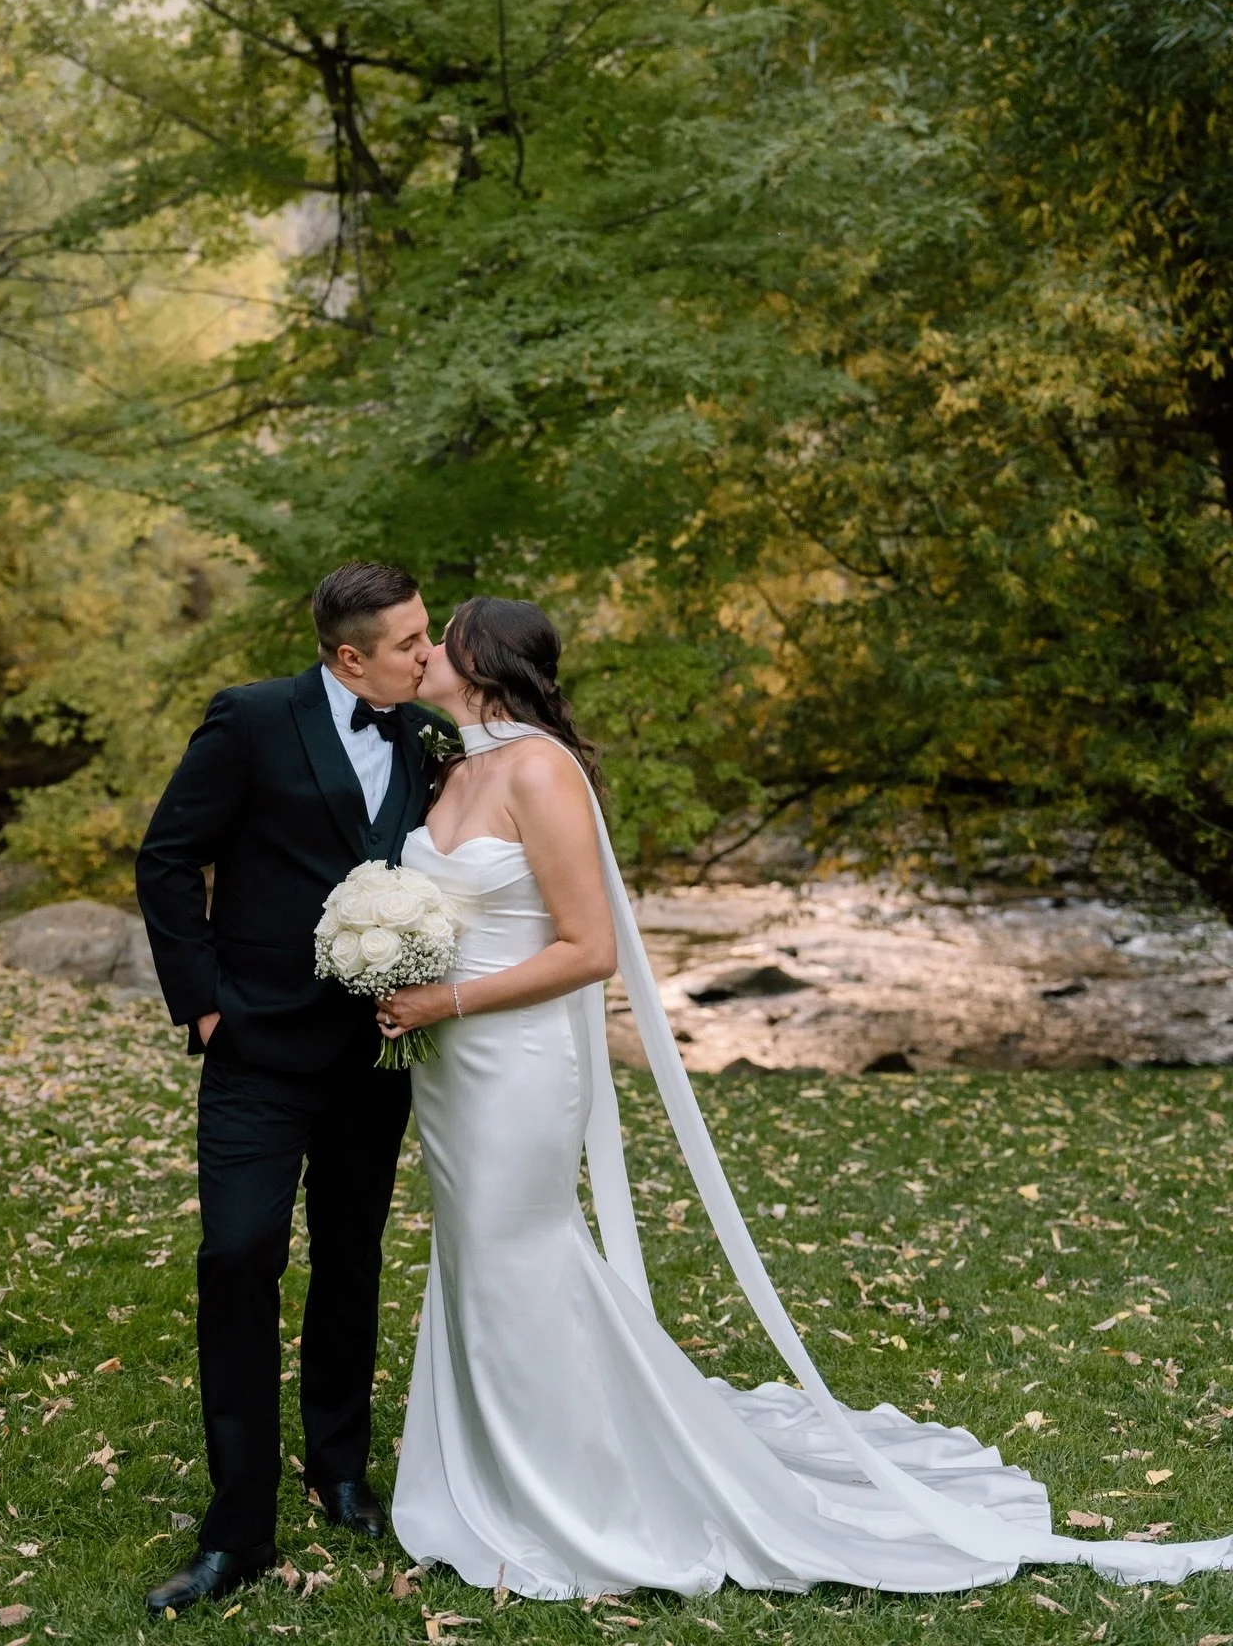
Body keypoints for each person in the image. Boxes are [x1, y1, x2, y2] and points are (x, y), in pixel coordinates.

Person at [375, 594, 1233, 1599]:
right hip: (451, 1069)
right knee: (479, 1256)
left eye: (441, 639)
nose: (424, 652)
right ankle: (492, 1471)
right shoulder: (456, 766)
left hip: (514, 1062)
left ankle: (572, 1495)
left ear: (481, 662)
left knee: (523, 1256)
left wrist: (453, 993)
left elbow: (590, 949)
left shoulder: (540, 770)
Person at [135, 560, 452, 1616]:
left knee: (351, 1255)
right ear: (349, 655)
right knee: (237, 1254)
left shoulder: (431, 740)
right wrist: (206, 1003)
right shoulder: (251, 720)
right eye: (410, 642)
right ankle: (236, 1526)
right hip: (257, 1049)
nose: (429, 654)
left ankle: (339, 1467)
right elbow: (168, 859)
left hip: (375, 1052)